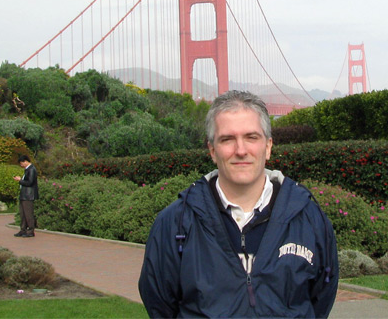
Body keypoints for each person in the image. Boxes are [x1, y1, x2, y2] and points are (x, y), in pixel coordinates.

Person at [138, 90, 339, 318]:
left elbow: (321, 297)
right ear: (213, 150)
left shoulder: (310, 218)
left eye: (251, 137)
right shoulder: (175, 223)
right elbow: (160, 304)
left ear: (268, 146)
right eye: (227, 139)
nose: (241, 150)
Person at [13, 155, 38, 238]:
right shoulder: (27, 170)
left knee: (28, 213)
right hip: (24, 195)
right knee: (23, 213)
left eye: (21, 163)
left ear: (25, 161)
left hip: (28, 195)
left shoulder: (32, 169)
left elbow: (30, 182)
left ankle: (30, 230)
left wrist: (20, 180)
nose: (21, 165)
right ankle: (23, 229)